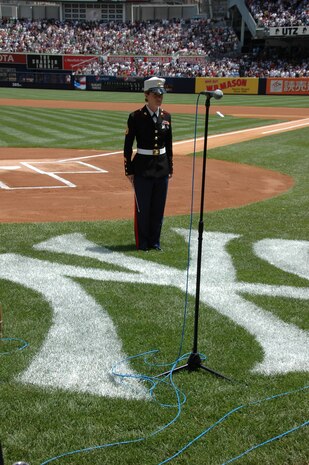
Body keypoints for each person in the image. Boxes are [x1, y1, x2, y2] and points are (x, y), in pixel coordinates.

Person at [124, 76, 173, 251]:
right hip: (142, 168)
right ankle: (143, 242)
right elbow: (128, 146)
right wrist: (128, 169)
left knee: (158, 209)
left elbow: (169, 145)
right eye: (156, 94)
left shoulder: (166, 116)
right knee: (143, 210)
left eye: (161, 94)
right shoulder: (135, 117)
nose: (160, 98)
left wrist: (170, 168)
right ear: (146, 94)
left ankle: (155, 241)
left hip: (161, 167)